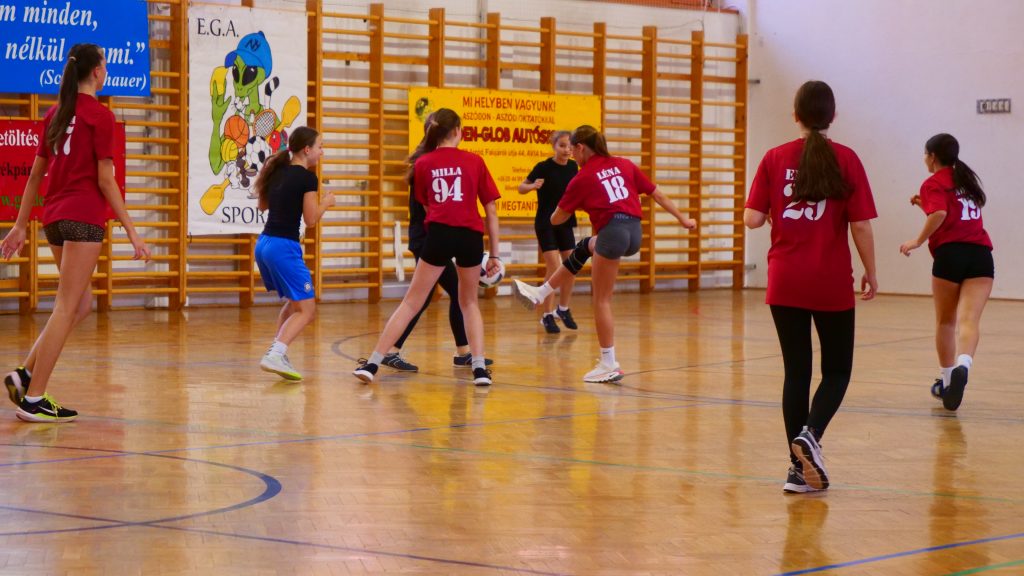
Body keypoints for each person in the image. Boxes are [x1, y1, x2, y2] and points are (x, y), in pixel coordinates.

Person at [1, 44, 151, 422]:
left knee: (79, 304)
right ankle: (34, 399)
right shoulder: (100, 116)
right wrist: (133, 232)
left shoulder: (56, 112)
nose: (106, 70)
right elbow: (106, 180)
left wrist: (20, 224)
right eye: (105, 65)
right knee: (67, 306)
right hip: (83, 218)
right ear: (97, 72)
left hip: (53, 218)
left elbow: (35, 176)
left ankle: (24, 375)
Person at [744, 80, 878, 494]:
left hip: (785, 280)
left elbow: (751, 218)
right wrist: (871, 271)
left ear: (795, 115)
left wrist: (772, 212)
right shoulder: (847, 159)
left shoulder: (774, 157)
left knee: (796, 372)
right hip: (829, 280)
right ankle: (811, 434)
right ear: (832, 116)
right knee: (837, 370)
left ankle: (797, 470)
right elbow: (860, 225)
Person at [511, 125, 697, 383]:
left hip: (612, 234)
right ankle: (541, 292)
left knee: (602, 301)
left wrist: (567, 206)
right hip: (634, 232)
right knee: (586, 246)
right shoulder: (624, 164)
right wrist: (683, 219)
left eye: (573, 150)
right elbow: (657, 194)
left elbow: (556, 220)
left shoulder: (583, 177)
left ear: (581, 147)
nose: (572, 156)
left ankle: (609, 362)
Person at [354, 108, 501, 386]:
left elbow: (426, 207)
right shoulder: (475, 161)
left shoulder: (422, 164)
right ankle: (480, 370)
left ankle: (372, 364)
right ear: (457, 130)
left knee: (412, 301)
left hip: (439, 234)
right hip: (470, 235)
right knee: (469, 302)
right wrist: (494, 254)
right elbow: (490, 211)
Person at [900, 133, 993, 412]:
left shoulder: (933, 183)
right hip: (980, 256)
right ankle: (964, 364)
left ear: (932, 157)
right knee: (969, 321)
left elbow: (940, 215)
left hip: (950, 256)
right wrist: (924, 206)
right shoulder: (966, 180)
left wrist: (917, 241)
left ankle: (948, 381)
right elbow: (951, 216)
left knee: (945, 322)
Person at [254, 126, 334, 381]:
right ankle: (276, 353)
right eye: (320, 147)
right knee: (307, 310)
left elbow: (262, 205)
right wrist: (325, 203)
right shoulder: (307, 178)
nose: (322, 152)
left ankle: (277, 351)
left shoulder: (278, 170)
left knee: (294, 302)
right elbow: (310, 220)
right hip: (283, 248)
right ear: (307, 150)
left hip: (264, 244)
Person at [518, 131, 579, 334]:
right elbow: (521, 187)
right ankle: (547, 315)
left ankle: (563, 308)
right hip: (545, 223)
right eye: (562, 146)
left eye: (569, 146)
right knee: (554, 267)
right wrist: (532, 186)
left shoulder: (573, 167)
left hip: (565, 221)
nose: (566, 150)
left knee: (571, 265)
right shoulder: (543, 167)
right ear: (554, 146)